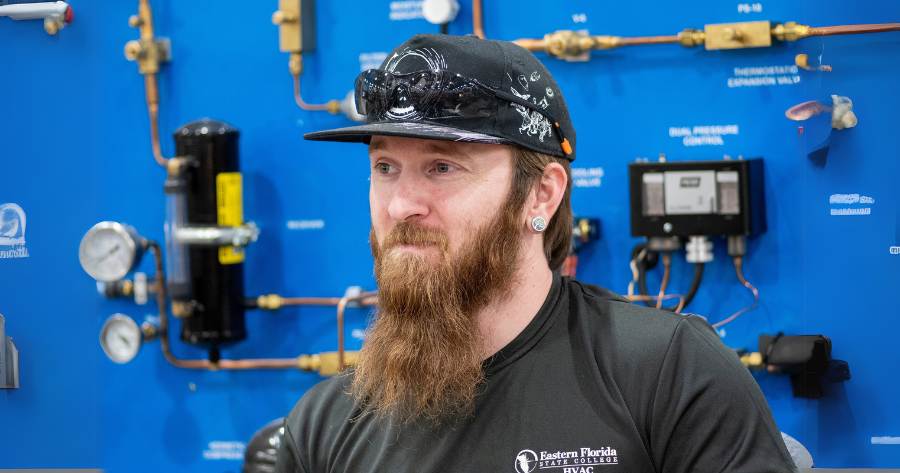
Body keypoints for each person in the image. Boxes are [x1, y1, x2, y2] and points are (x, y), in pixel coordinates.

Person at [275, 33, 796, 473]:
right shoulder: (325, 423)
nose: (402, 205)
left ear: (541, 194)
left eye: (442, 167)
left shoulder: (665, 372)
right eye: (385, 167)